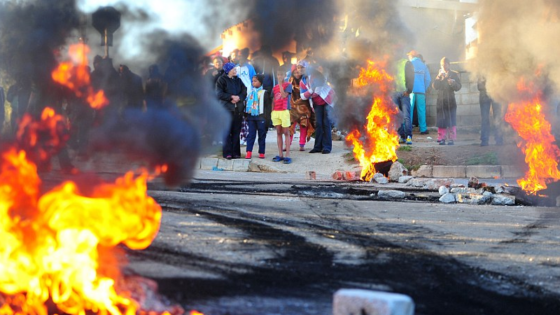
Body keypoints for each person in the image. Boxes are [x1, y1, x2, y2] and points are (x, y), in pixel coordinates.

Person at [299, 61, 336, 154]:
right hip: (316, 103)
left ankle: (327, 147)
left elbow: (317, 92)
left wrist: (309, 93)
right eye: (298, 68)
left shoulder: (317, 75)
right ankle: (317, 147)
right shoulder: (302, 81)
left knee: (326, 123)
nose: (300, 70)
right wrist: (311, 91)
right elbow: (302, 96)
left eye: (302, 67)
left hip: (327, 100)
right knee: (319, 124)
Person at [216, 62, 247, 159]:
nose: (235, 70)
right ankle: (227, 153)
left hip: (237, 109)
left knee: (236, 131)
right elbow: (219, 93)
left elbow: (244, 90)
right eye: (233, 69)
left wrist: (239, 97)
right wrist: (231, 97)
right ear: (228, 70)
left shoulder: (238, 80)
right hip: (226, 109)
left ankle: (236, 153)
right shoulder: (221, 80)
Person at [433, 57, 462, 145]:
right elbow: (435, 86)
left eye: (445, 64)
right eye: (442, 65)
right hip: (441, 101)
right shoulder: (439, 75)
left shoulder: (454, 74)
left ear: (449, 65)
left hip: (450, 101)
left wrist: (452, 83)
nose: (444, 66)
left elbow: (458, 87)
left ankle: (451, 138)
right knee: (441, 120)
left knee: (451, 119)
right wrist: (438, 77)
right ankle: (441, 138)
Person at [289, 66, 315, 151]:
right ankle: (287, 144)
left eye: (298, 72)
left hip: (304, 106)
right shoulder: (290, 81)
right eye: (295, 72)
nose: (297, 74)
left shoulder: (305, 80)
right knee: (290, 125)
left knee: (303, 125)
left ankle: (302, 144)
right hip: (293, 106)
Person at [244, 74, 270, 159]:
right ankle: (249, 152)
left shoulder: (264, 93)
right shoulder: (250, 92)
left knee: (262, 135)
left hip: (261, 117)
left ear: (260, 82)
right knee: (251, 135)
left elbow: (267, 107)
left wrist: (267, 119)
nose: (253, 83)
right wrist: (246, 115)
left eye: (255, 81)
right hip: (251, 117)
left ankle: (261, 152)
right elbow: (247, 104)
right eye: (252, 81)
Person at [271, 70, 293, 164]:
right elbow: (273, 100)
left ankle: (287, 154)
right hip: (276, 111)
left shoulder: (288, 85)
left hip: (284, 110)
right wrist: (272, 112)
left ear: (285, 76)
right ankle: (280, 154)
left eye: (281, 75)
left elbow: (284, 96)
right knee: (278, 132)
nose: (279, 76)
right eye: (278, 74)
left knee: (286, 132)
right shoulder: (274, 88)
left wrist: (280, 84)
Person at [393, 55, 415, 145]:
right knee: (398, 116)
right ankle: (401, 136)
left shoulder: (406, 63)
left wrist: (409, 90)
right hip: (394, 92)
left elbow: (411, 77)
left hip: (404, 93)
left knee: (406, 116)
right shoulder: (391, 63)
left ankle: (408, 136)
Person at [408, 50, 431, 135]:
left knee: (409, 110)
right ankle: (423, 129)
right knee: (421, 110)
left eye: (409, 55)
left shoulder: (409, 64)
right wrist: (423, 88)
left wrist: (407, 88)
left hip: (411, 91)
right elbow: (428, 79)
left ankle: (408, 129)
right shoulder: (423, 65)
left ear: (412, 56)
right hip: (421, 91)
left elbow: (406, 77)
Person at [478, 77, 503, 146]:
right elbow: (479, 86)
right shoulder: (481, 71)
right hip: (484, 96)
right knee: (485, 118)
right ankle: (484, 140)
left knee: (497, 117)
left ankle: (499, 139)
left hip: (496, 94)